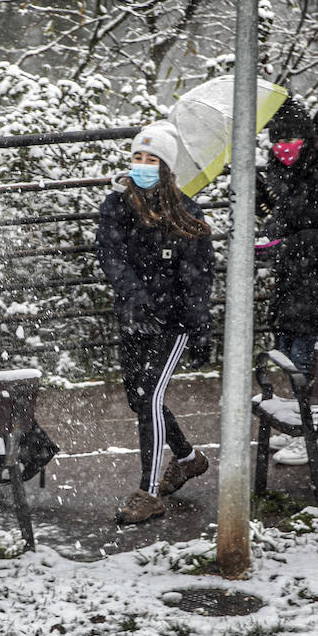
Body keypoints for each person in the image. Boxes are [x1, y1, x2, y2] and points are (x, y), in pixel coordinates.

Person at [95, 120, 216, 525]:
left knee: (148, 400)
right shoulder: (116, 206)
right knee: (140, 400)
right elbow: (110, 257)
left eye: (152, 159)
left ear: (167, 168)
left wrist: (199, 328)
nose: (142, 165)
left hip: (173, 324)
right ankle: (187, 458)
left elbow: (198, 277)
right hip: (133, 317)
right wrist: (137, 297)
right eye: (137, 157)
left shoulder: (186, 213)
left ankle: (148, 494)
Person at [256, 98, 318, 465]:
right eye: (276, 141)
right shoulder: (292, 175)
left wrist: (285, 243)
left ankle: (315, 436)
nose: (282, 148)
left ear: (309, 140)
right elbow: (288, 220)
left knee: (307, 363)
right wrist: (267, 216)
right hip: (296, 285)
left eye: (291, 141)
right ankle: (302, 429)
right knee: (291, 356)